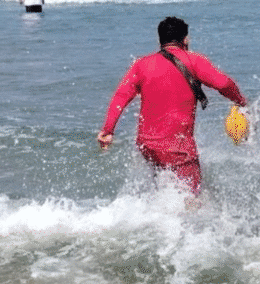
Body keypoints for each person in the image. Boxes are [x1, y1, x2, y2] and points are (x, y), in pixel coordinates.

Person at [97, 17, 248, 196]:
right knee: (191, 197)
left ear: (160, 40)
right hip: (177, 145)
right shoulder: (194, 61)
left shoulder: (141, 65)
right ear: (185, 39)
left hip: (147, 144)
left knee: (163, 191)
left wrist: (108, 130)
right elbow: (223, 84)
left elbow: (120, 97)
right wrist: (241, 102)